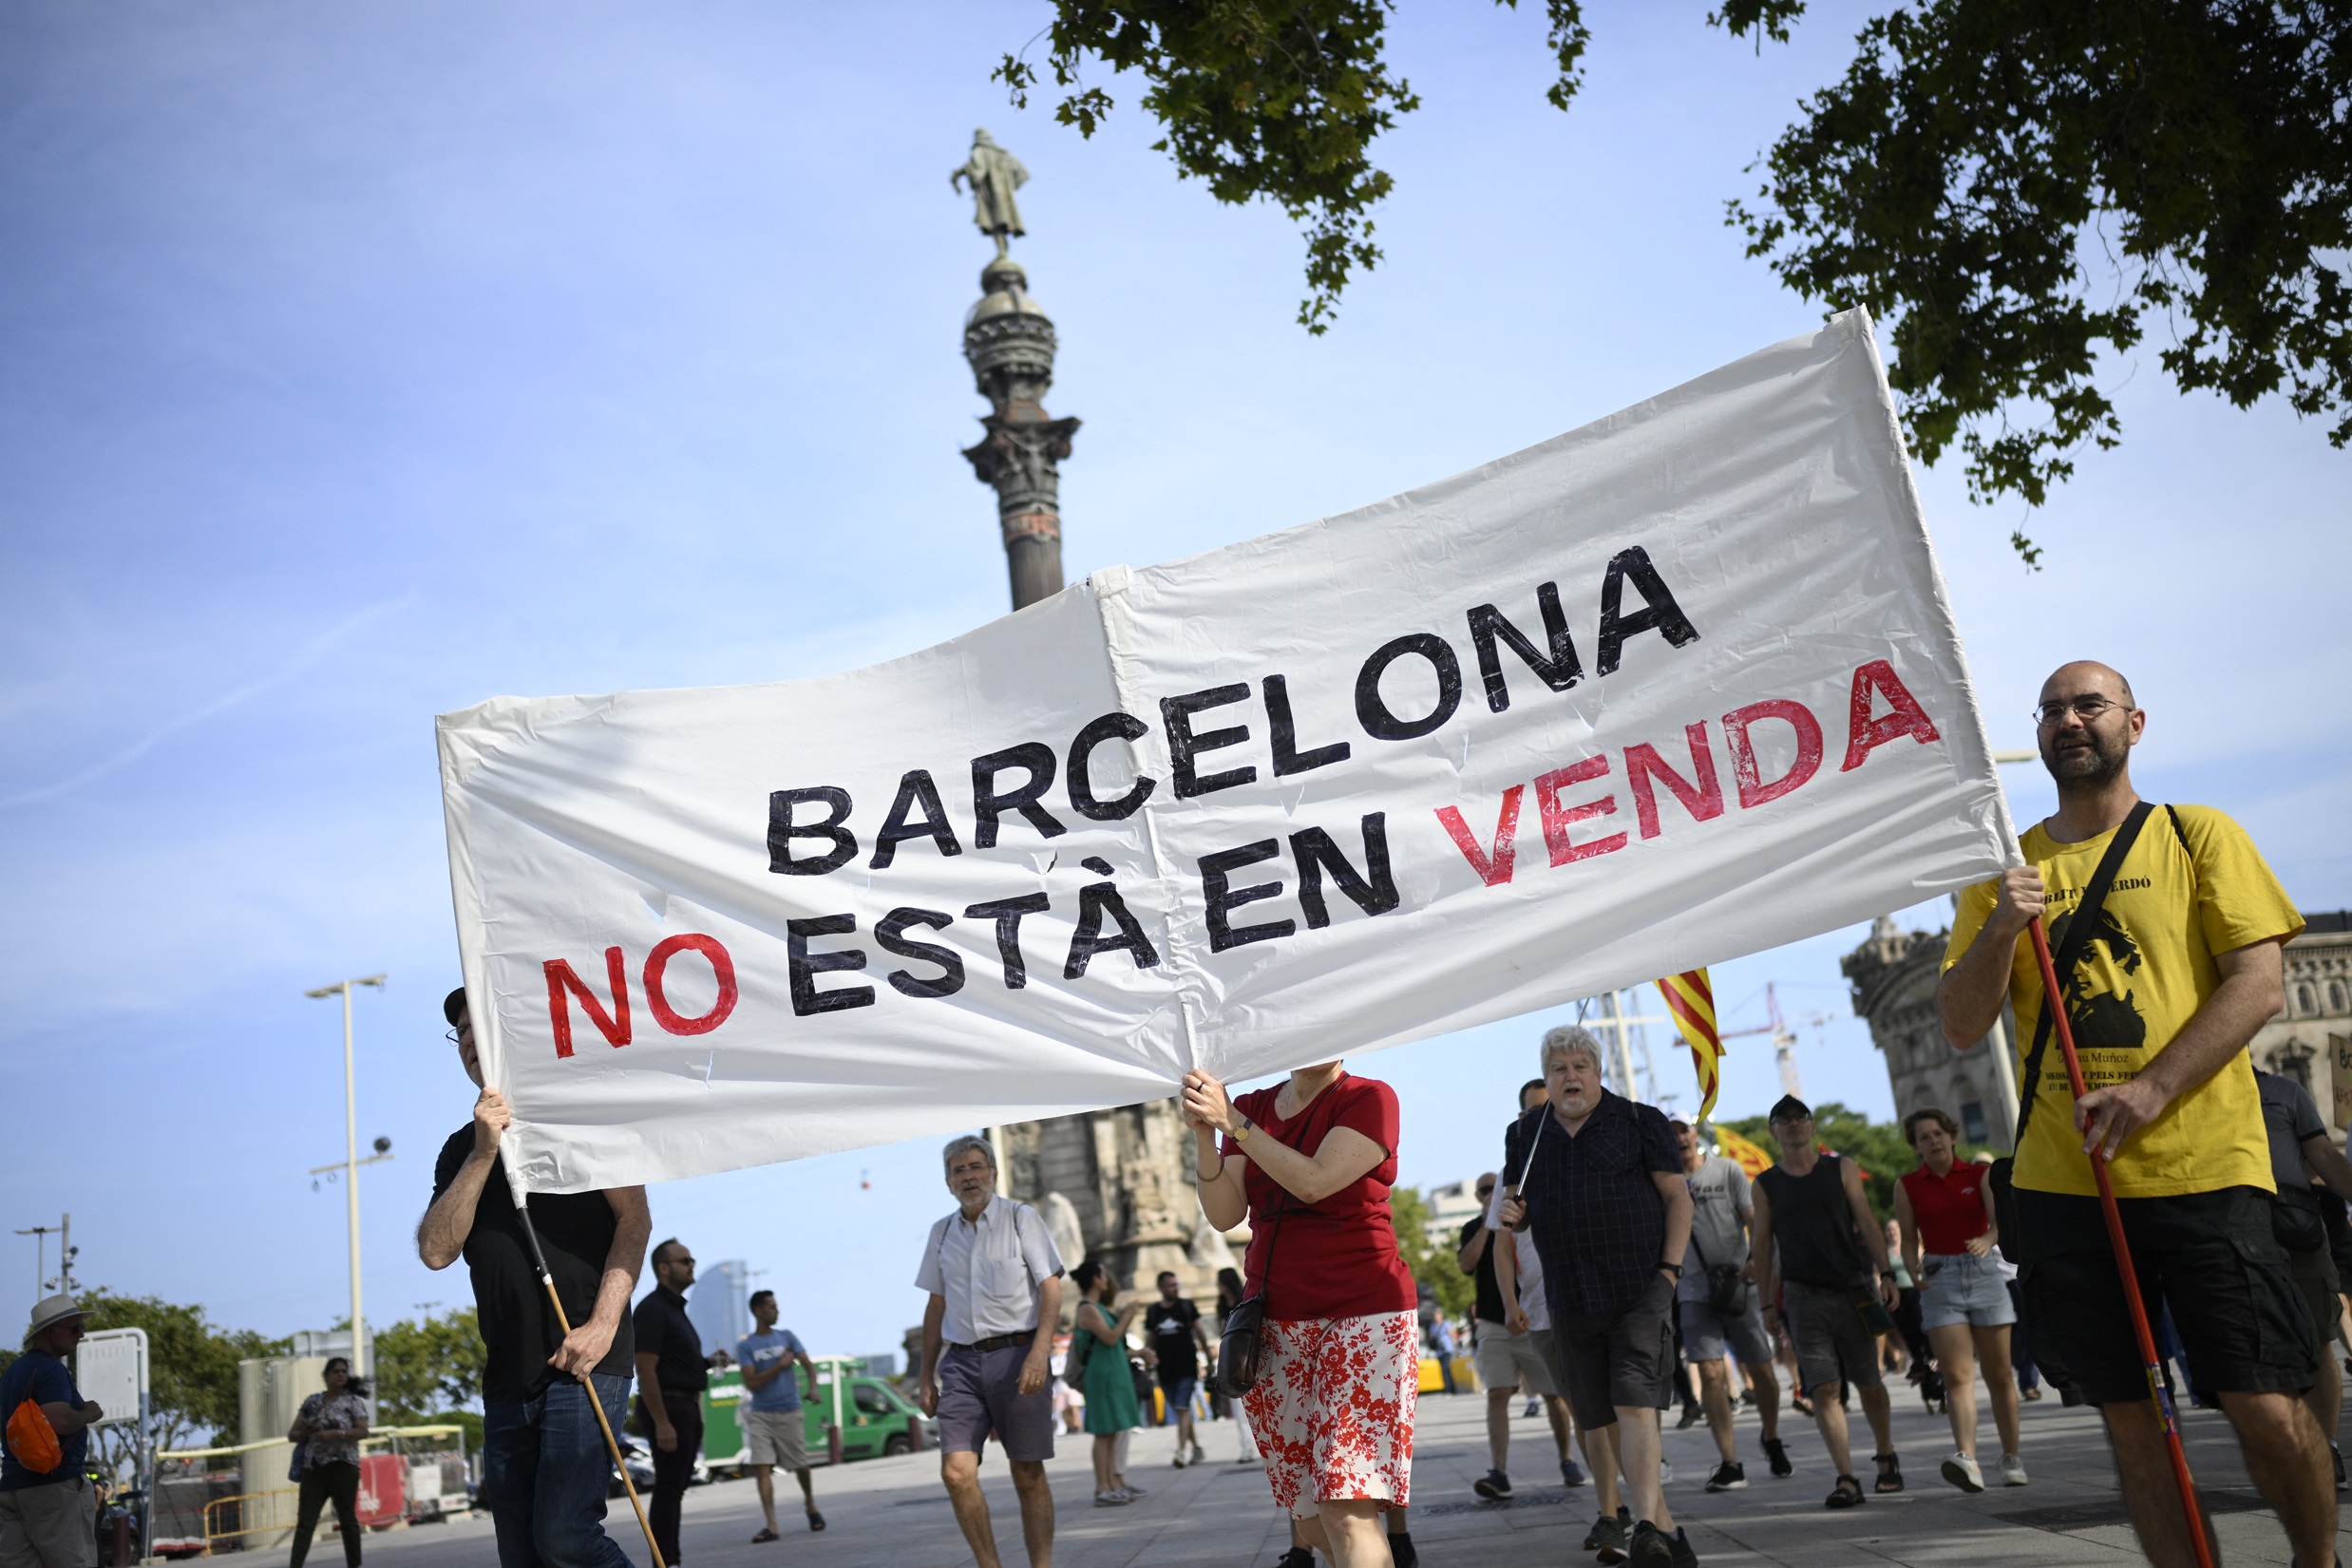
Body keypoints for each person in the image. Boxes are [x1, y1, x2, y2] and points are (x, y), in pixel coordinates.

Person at [1938, 660, 2325, 1568]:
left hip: (2205, 1169)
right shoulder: (2006, 872)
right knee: (2132, 1422)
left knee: (2263, 1402)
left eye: (2088, 705)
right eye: (2050, 711)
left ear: (2134, 723)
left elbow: (2260, 986)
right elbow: (1962, 1026)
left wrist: (2153, 1088)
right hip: (2067, 1183)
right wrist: (2000, 928)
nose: (2068, 721)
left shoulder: (2199, 836)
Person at [420, 988, 650, 1568]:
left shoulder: (584, 1117)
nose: (471, 1042)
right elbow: (436, 1250)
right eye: (461, 1033)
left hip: (585, 1365)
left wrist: (601, 1327)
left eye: (481, 1028)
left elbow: (635, 1222)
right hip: (506, 1380)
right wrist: (483, 1153)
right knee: (523, 1556)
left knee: (566, 1538)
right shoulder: (459, 1151)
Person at [1184, 1059, 1419, 1568]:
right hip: (1277, 1323)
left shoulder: (1370, 1098)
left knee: (1346, 1505)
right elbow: (1226, 1215)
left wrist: (1236, 1127)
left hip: (1363, 1315)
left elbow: (1315, 1182)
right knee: (1309, 1512)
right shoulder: (1251, 1106)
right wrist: (1206, 1137)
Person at [1492, 1027, 1695, 1568]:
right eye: (1559, 1069)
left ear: (1598, 1072)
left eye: (1580, 1066)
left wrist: (1669, 1273)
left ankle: (1646, 1525)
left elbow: (1678, 1198)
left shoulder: (1639, 1120)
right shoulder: (1525, 1134)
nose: (1570, 1076)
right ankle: (1670, 1536)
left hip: (1638, 1291)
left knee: (1634, 1405)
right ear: (1548, 1077)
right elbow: (1520, 1205)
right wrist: (1518, 1214)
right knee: (1597, 1417)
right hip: (1570, 1296)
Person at [915, 1135, 1065, 1568]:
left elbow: (1051, 1289)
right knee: (956, 1473)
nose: (969, 1177)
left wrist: (1039, 1354)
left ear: (994, 1172)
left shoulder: (1022, 1218)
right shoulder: (940, 1233)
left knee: (1028, 1473)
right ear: (947, 1182)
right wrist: (926, 1376)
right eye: (959, 1171)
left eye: (976, 1167)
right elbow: (935, 1305)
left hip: (1019, 1356)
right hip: (960, 1363)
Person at [1753, 1095, 1905, 1508]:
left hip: (1853, 1287)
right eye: (1784, 1120)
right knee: (1824, 1389)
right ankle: (1846, 1478)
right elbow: (1762, 1244)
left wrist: (1886, 1273)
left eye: (1800, 1117)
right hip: (1803, 1297)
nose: (1794, 1124)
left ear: (1812, 1125)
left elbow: (1868, 1221)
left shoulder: (1841, 1169)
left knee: (1870, 1383)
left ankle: (1886, 1454)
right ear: (1774, 1131)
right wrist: (1767, 1303)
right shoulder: (1766, 1184)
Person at [1893, 1108, 2023, 1493]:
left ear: (1952, 1136)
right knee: (1956, 1375)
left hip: (1983, 1272)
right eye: (1923, 1137)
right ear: (1915, 1146)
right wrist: (1909, 1269)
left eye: (1937, 1134)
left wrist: (1988, 1239)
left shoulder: (1979, 1176)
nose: (1932, 1141)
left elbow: (1999, 1223)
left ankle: (2011, 1456)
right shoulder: (1907, 1185)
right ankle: (1967, 1459)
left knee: (2000, 1374)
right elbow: (1906, 1235)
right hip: (1939, 1279)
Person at [1670, 1119, 1788, 1492]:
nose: (1679, 1138)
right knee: (1708, 1372)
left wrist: (1757, 1256)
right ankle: (1730, 1461)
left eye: (1683, 1130)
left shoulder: (1727, 1170)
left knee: (1764, 1373)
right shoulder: (1665, 1182)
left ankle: (1770, 1436)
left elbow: (1754, 1217)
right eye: (1671, 1134)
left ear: (1695, 1134)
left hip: (1741, 1286)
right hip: (1693, 1290)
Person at [2252, 1067, 2352, 1486]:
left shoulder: (2284, 1091)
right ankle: (2287, 1448)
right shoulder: (2192, 1093)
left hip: (2297, 1229)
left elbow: (2324, 1156)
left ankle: (2325, 1448)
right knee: (2256, 1350)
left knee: (2317, 1339)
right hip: (2230, 1231)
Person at [1459, 1169, 1578, 1502]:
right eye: (1482, 1191)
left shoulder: (1526, 1212)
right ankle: (1499, 1471)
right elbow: (1466, 1264)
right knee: (1497, 1392)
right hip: (1494, 1323)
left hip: (1533, 1317)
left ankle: (1567, 1459)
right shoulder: (1474, 1228)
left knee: (1555, 1394)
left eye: (1490, 1189)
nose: (1486, 1194)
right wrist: (1488, 1223)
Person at [632, 1239, 725, 1566]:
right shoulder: (653, 1310)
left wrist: (708, 1362)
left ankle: (669, 1556)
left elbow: (676, 1364)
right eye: (685, 1260)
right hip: (669, 1407)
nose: (691, 1264)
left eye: (692, 1259)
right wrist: (661, 1423)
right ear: (664, 1268)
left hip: (684, 1406)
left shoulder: (673, 1310)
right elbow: (645, 1369)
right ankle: (665, 1560)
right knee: (669, 1489)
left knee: (676, 1487)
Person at [1, 1294, 103, 1568]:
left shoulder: (13, 1371)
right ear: (49, 1332)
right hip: (54, 1486)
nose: (81, 1334)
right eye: (75, 1328)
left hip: (13, 1486)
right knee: (74, 1561)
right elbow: (59, 1420)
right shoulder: (50, 1369)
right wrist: (89, 1413)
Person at [735, 1290, 823, 1542]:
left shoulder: (787, 1337)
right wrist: (780, 1366)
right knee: (761, 1467)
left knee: (801, 1466)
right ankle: (772, 1525)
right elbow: (751, 1382)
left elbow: (808, 1365)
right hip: (761, 1414)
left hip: (789, 1410)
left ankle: (810, 1505)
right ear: (758, 1311)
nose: (777, 1311)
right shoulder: (746, 1345)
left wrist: (813, 1387)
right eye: (772, 1307)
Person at [1069, 1261, 1147, 1505]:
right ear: (1095, 1279)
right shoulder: (1088, 1309)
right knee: (1103, 1433)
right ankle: (1102, 1487)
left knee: (1112, 1432)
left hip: (1113, 1374)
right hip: (1101, 1376)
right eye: (1103, 1275)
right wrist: (1127, 1316)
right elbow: (1111, 1338)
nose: (1106, 1280)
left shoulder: (1098, 1308)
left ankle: (1112, 1483)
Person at [286, 1357, 371, 1568]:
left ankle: (354, 1564)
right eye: (336, 1371)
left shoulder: (352, 1402)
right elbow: (292, 1434)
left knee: (347, 1520)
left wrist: (338, 1433)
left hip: (343, 1466)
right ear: (325, 1376)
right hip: (313, 1467)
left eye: (344, 1371)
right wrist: (306, 1431)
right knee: (306, 1522)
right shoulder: (312, 1402)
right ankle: (295, 1565)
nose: (341, 1375)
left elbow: (363, 1431)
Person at [1141, 1272, 1213, 1467]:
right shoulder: (1154, 1311)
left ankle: (1181, 1452)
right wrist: (1147, 1364)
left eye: (1175, 1285)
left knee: (1182, 1408)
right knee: (1182, 1412)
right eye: (1170, 1285)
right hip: (1164, 1369)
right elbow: (1149, 1339)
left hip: (1187, 1367)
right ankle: (1197, 1448)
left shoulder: (1186, 1306)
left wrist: (1207, 1356)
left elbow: (1200, 1332)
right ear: (1161, 1288)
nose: (1174, 1288)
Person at [1212, 1268, 1261, 1464]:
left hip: (1248, 1352)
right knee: (1238, 1406)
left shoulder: (1245, 1300)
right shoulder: (1221, 1305)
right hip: (1233, 1356)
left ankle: (1253, 1446)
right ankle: (1246, 1448)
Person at [1427, 1310, 1459, 1396]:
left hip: (1447, 1349)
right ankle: (1451, 1389)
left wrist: (1455, 1345)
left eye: (1437, 1315)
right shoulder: (1433, 1326)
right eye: (1434, 1315)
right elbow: (1431, 1337)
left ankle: (1449, 1389)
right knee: (1444, 1370)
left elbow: (1452, 1334)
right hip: (1439, 1351)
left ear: (1441, 1315)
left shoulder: (1446, 1324)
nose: (1435, 1317)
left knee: (1446, 1369)